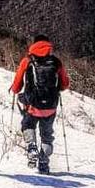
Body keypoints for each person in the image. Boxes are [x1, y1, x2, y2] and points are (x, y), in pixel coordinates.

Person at [9, 33, 70, 175]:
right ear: (48, 45)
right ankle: (44, 163)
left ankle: (31, 147)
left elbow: (17, 84)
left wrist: (15, 90)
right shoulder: (56, 62)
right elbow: (65, 84)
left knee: (28, 125)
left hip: (32, 105)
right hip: (50, 106)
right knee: (47, 134)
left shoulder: (28, 60)